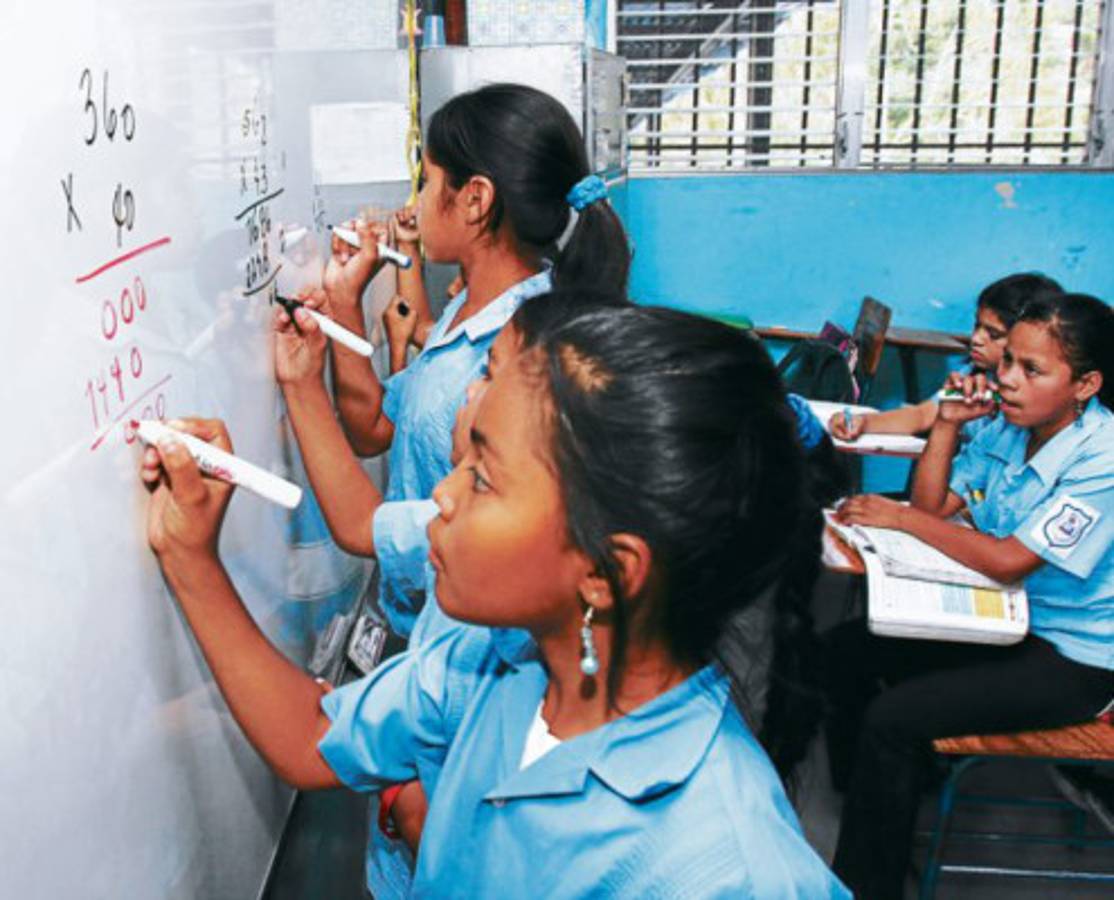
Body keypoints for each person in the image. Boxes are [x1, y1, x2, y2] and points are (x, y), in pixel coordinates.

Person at [141, 302, 848, 897]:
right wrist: (191, 556)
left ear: (605, 572)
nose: (443, 496)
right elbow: (310, 738)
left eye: (481, 477)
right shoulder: (496, 665)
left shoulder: (726, 871)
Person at [278, 83, 631, 639]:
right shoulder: (472, 307)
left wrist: (299, 384)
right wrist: (344, 304)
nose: (415, 200)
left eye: (427, 180)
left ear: (475, 199)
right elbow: (375, 427)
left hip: (463, 641)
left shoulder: (519, 351)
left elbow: (359, 525)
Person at [827, 292, 1114, 898]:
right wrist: (949, 427)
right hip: (1007, 621)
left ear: (1085, 385)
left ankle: (866, 882)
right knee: (842, 653)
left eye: (1031, 370)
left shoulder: (1103, 460)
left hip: (1071, 659)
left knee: (891, 720)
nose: (1006, 380)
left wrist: (900, 520)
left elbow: (1008, 560)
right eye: (1007, 360)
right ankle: (878, 805)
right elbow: (935, 507)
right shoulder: (1014, 428)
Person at [829, 272, 1062, 441]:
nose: (976, 339)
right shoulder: (968, 376)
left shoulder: (1036, 402)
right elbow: (923, 415)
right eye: (977, 326)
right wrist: (864, 422)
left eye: (993, 334)